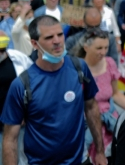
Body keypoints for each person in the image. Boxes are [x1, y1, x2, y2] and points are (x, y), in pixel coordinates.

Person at [1, 15, 106, 165]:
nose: (57, 41)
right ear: (34, 44)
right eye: (49, 37)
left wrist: (100, 152)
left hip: (80, 160)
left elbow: (91, 107)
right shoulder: (22, 85)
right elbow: (10, 138)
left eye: (60, 34)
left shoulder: (79, 68)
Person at [79, 28, 125, 163]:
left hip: (110, 122)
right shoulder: (77, 69)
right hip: (87, 125)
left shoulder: (109, 63)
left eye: (106, 47)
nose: (103, 52)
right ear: (86, 47)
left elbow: (115, 94)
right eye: (99, 48)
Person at [0, 31, 32, 164]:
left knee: (22, 159)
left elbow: (32, 86)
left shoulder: (18, 58)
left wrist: (27, 111)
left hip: (18, 122)